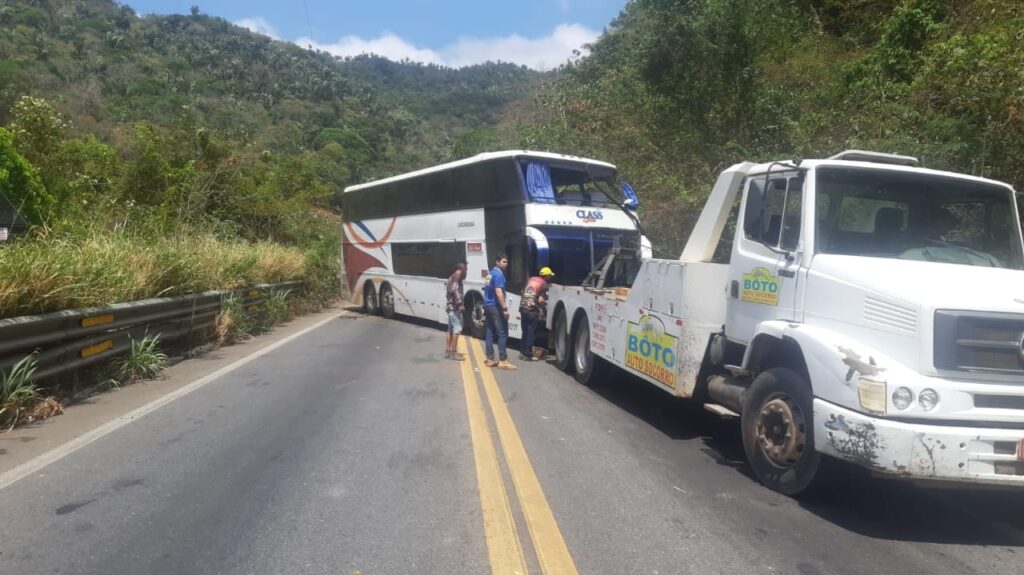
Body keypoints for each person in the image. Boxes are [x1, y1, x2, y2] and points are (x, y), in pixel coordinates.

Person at [483, 254, 516, 370]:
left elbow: (486, 288)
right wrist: (505, 308)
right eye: (503, 262)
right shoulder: (499, 275)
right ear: (497, 262)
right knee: (502, 332)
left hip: (487, 305)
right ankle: (503, 360)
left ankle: (490, 358)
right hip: (495, 306)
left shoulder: (489, 273)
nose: (506, 264)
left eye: (507, 262)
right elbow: (498, 291)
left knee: (490, 331)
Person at [519, 267, 555, 361]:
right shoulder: (544, 284)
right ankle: (528, 355)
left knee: (525, 331)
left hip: (522, 307)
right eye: (549, 276)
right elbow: (541, 300)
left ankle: (522, 353)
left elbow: (522, 292)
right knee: (531, 332)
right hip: (531, 310)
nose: (550, 277)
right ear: (546, 276)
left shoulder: (531, 279)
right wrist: (544, 309)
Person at [444, 262, 467, 361]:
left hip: (450, 307)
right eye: (466, 269)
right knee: (457, 329)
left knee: (450, 329)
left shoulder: (452, 276)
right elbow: (455, 290)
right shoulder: (457, 276)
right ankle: (454, 353)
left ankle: (448, 351)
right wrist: (460, 304)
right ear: (462, 269)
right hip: (454, 308)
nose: (466, 271)